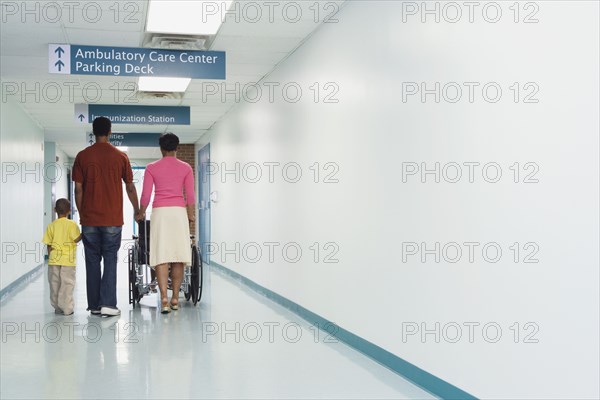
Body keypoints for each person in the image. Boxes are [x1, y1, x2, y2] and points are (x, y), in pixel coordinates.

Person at [72, 116, 140, 317]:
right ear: (110, 132)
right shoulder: (120, 157)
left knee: (92, 261)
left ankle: (94, 305)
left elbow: (78, 189)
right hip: (112, 219)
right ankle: (108, 304)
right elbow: (129, 187)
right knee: (110, 259)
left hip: (89, 220)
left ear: (94, 133)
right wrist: (137, 209)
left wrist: (82, 212)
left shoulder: (82, 156)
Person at [138, 133, 195, 314]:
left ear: (161, 149)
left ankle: (163, 299)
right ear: (177, 148)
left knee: (161, 255)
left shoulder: (151, 167)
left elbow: (146, 195)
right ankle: (175, 298)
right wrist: (191, 215)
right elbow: (190, 195)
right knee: (178, 255)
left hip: (160, 213)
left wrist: (140, 212)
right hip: (178, 213)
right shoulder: (186, 167)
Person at [42, 198, 82, 315]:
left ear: (55, 210)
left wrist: (50, 256)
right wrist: (82, 235)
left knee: (54, 284)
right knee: (67, 284)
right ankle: (67, 308)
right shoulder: (72, 224)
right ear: (69, 211)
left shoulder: (51, 226)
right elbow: (76, 239)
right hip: (68, 261)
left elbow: (48, 244)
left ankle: (57, 307)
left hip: (54, 260)